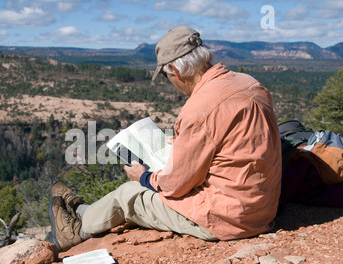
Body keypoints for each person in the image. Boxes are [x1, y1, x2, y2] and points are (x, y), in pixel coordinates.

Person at [48, 26, 282, 252]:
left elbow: (175, 186)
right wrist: (184, 144)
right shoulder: (249, 83)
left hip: (228, 218)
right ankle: (84, 211)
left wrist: (144, 177)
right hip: (262, 206)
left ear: (175, 70)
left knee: (128, 193)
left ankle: (74, 230)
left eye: (167, 75)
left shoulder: (198, 110)